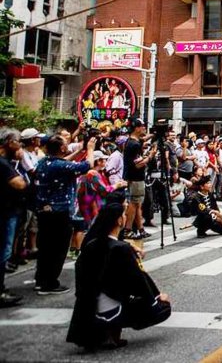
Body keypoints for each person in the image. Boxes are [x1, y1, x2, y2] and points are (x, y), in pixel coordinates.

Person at [66, 202, 171, 351]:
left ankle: (105, 332)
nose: (125, 216)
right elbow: (138, 280)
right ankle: (111, 331)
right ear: (119, 221)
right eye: (123, 214)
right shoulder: (120, 249)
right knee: (163, 308)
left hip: (87, 308)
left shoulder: (90, 244)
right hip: (110, 307)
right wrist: (156, 297)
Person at [34, 134, 96, 295]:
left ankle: (41, 280)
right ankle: (50, 283)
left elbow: (64, 162)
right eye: (65, 144)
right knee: (58, 248)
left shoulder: (44, 162)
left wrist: (79, 151)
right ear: (61, 148)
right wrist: (90, 149)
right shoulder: (58, 166)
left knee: (45, 247)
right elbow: (87, 165)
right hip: (59, 211)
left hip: (44, 211)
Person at [0, 128, 27, 307]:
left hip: (9, 211)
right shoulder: (2, 164)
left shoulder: (8, 162)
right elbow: (19, 184)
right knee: (3, 253)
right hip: (4, 213)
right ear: (9, 143)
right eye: (18, 142)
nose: (20, 146)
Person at [122, 120, 155, 241]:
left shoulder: (132, 141)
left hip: (133, 177)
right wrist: (150, 157)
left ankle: (139, 228)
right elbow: (137, 165)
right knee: (134, 203)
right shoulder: (134, 145)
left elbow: (143, 139)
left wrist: (155, 134)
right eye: (143, 127)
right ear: (136, 128)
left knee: (137, 203)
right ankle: (128, 229)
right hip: (135, 177)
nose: (145, 129)